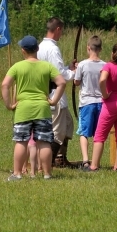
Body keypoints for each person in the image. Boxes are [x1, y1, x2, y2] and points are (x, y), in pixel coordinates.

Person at [1, 35, 67, 181]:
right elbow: (62, 82)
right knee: (44, 142)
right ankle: (47, 174)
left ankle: (17, 173)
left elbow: (5, 85)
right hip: (42, 108)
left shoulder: (17, 66)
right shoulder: (47, 66)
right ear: (37, 49)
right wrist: (54, 100)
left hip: (23, 109)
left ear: (23, 50)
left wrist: (9, 105)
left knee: (21, 141)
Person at [87, 43, 117, 172]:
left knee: (100, 135)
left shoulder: (108, 66)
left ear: (113, 54)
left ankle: (94, 166)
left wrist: (105, 95)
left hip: (111, 104)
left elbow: (102, 80)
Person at [38, 17, 76, 166]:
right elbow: (60, 75)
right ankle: (49, 163)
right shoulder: (52, 49)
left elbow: (55, 70)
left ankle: (60, 158)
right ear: (58, 29)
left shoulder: (41, 46)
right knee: (57, 132)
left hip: (50, 92)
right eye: (62, 31)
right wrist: (74, 72)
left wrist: (68, 68)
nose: (62, 34)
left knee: (68, 124)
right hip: (55, 94)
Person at [74, 35, 105, 170]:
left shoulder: (82, 64)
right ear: (100, 49)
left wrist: (76, 70)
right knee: (99, 133)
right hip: (101, 102)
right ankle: (96, 162)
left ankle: (86, 161)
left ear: (88, 48)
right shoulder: (105, 65)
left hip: (87, 102)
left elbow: (76, 82)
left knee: (84, 132)